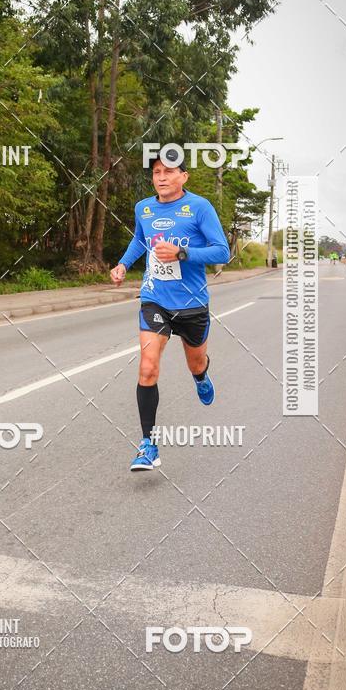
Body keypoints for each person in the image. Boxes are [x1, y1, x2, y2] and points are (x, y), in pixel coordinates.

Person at [110, 152, 230, 471]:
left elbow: (222, 251)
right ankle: (148, 444)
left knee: (196, 362)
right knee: (147, 367)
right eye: (157, 172)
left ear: (184, 177)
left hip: (192, 305)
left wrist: (183, 252)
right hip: (155, 299)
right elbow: (140, 240)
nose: (161, 177)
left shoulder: (200, 207)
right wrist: (123, 263)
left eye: (169, 171)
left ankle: (201, 376)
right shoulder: (144, 209)